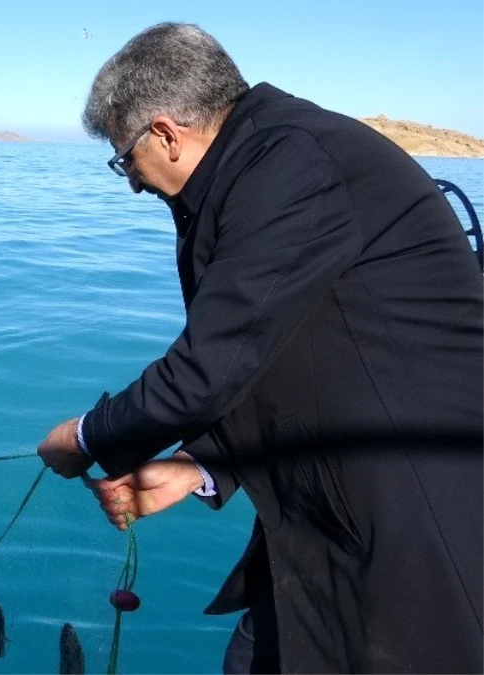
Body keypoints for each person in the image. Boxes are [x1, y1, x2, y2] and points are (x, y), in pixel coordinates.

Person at [36, 22, 484, 675]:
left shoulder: (291, 165)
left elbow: (211, 365)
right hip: (319, 514)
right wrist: (201, 463)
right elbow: (283, 351)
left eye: (122, 155)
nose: (128, 178)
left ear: (164, 132)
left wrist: (84, 437)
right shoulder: (252, 167)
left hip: (413, 517)